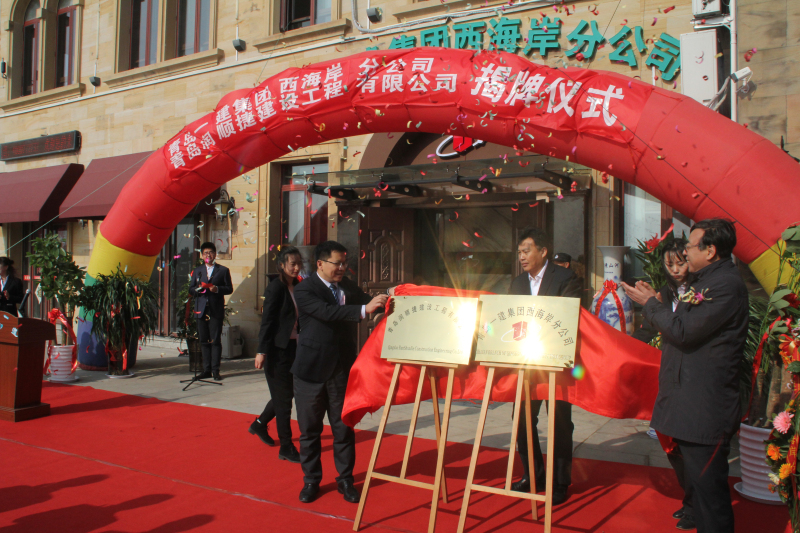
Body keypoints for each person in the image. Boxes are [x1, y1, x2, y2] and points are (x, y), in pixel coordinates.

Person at [622, 219, 748, 533]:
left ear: (711, 250)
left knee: (711, 497)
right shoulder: (705, 281)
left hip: (705, 407)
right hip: (688, 404)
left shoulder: (724, 285)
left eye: (691, 247)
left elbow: (683, 331)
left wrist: (650, 304)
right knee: (700, 489)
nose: (686, 253)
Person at [292, 241, 388, 504]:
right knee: (309, 431)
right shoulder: (304, 289)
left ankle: (345, 480)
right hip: (310, 372)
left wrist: (390, 297)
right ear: (320, 264)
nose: (343, 268)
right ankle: (311, 481)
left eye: (345, 263)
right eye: (338, 263)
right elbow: (327, 312)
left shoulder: (346, 286)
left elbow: (368, 301)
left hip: (341, 371)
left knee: (343, 429)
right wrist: (363, 310)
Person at [510, 228, 582, 505]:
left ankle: (560, 482)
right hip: (526, 364)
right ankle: (533, 475)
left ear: (543, 251)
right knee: (522, 422)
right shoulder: (517, 283)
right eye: (519, 252)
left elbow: (570, 318)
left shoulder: (565, 277)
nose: (521, 257)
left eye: (526, 251)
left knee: (560, 423)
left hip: (555, 364)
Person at [630, 238, 697, 530]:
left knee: (692, 448)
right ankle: (690, 500)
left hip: (693, 380)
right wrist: (628, 349)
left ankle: (697, 505)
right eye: (669, 264)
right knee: (671, 445)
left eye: (680, 263)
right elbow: (647, 331)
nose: (676, 270)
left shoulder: (703, 292)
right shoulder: (664, 294)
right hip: (668, 378)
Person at [249, 247, 303, 463]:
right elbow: (267, 322)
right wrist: (261, 351)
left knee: (285, 395)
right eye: (292, 264)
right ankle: (286, 447)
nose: (297, 267)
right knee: (284, 401)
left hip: (295, 348)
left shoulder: (298, 286)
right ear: (281, 265)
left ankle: (259, 424)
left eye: (299, 263)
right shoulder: (275, 288)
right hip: (276, 351)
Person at [188, 242, 233, 381]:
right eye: (206, 253)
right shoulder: (198, 271)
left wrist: (217, 289)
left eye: (211, 252)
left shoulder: (223, 270)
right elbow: (191, 289)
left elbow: (229, 288)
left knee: (215, 341)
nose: (208, 255)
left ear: (215, 254)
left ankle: (215, 370)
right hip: (201, 309)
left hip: (215, 310)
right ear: (202, 256)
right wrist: (198, 289)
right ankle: (206, 370)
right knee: (203, 341)